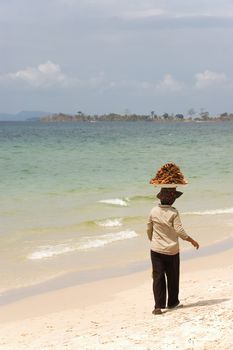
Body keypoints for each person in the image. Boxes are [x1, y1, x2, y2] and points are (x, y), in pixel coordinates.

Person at [147, 187, 199, 315]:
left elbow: (149, 229)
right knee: (173, 276)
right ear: (172, 200)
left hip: (156, 249)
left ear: (161, 198)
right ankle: (172, 303)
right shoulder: (173, 212)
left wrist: (153, 241)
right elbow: (179, 231)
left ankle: (158, 306)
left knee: (158, 277)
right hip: (172, 250)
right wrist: (191, 240)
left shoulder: (153, 211)